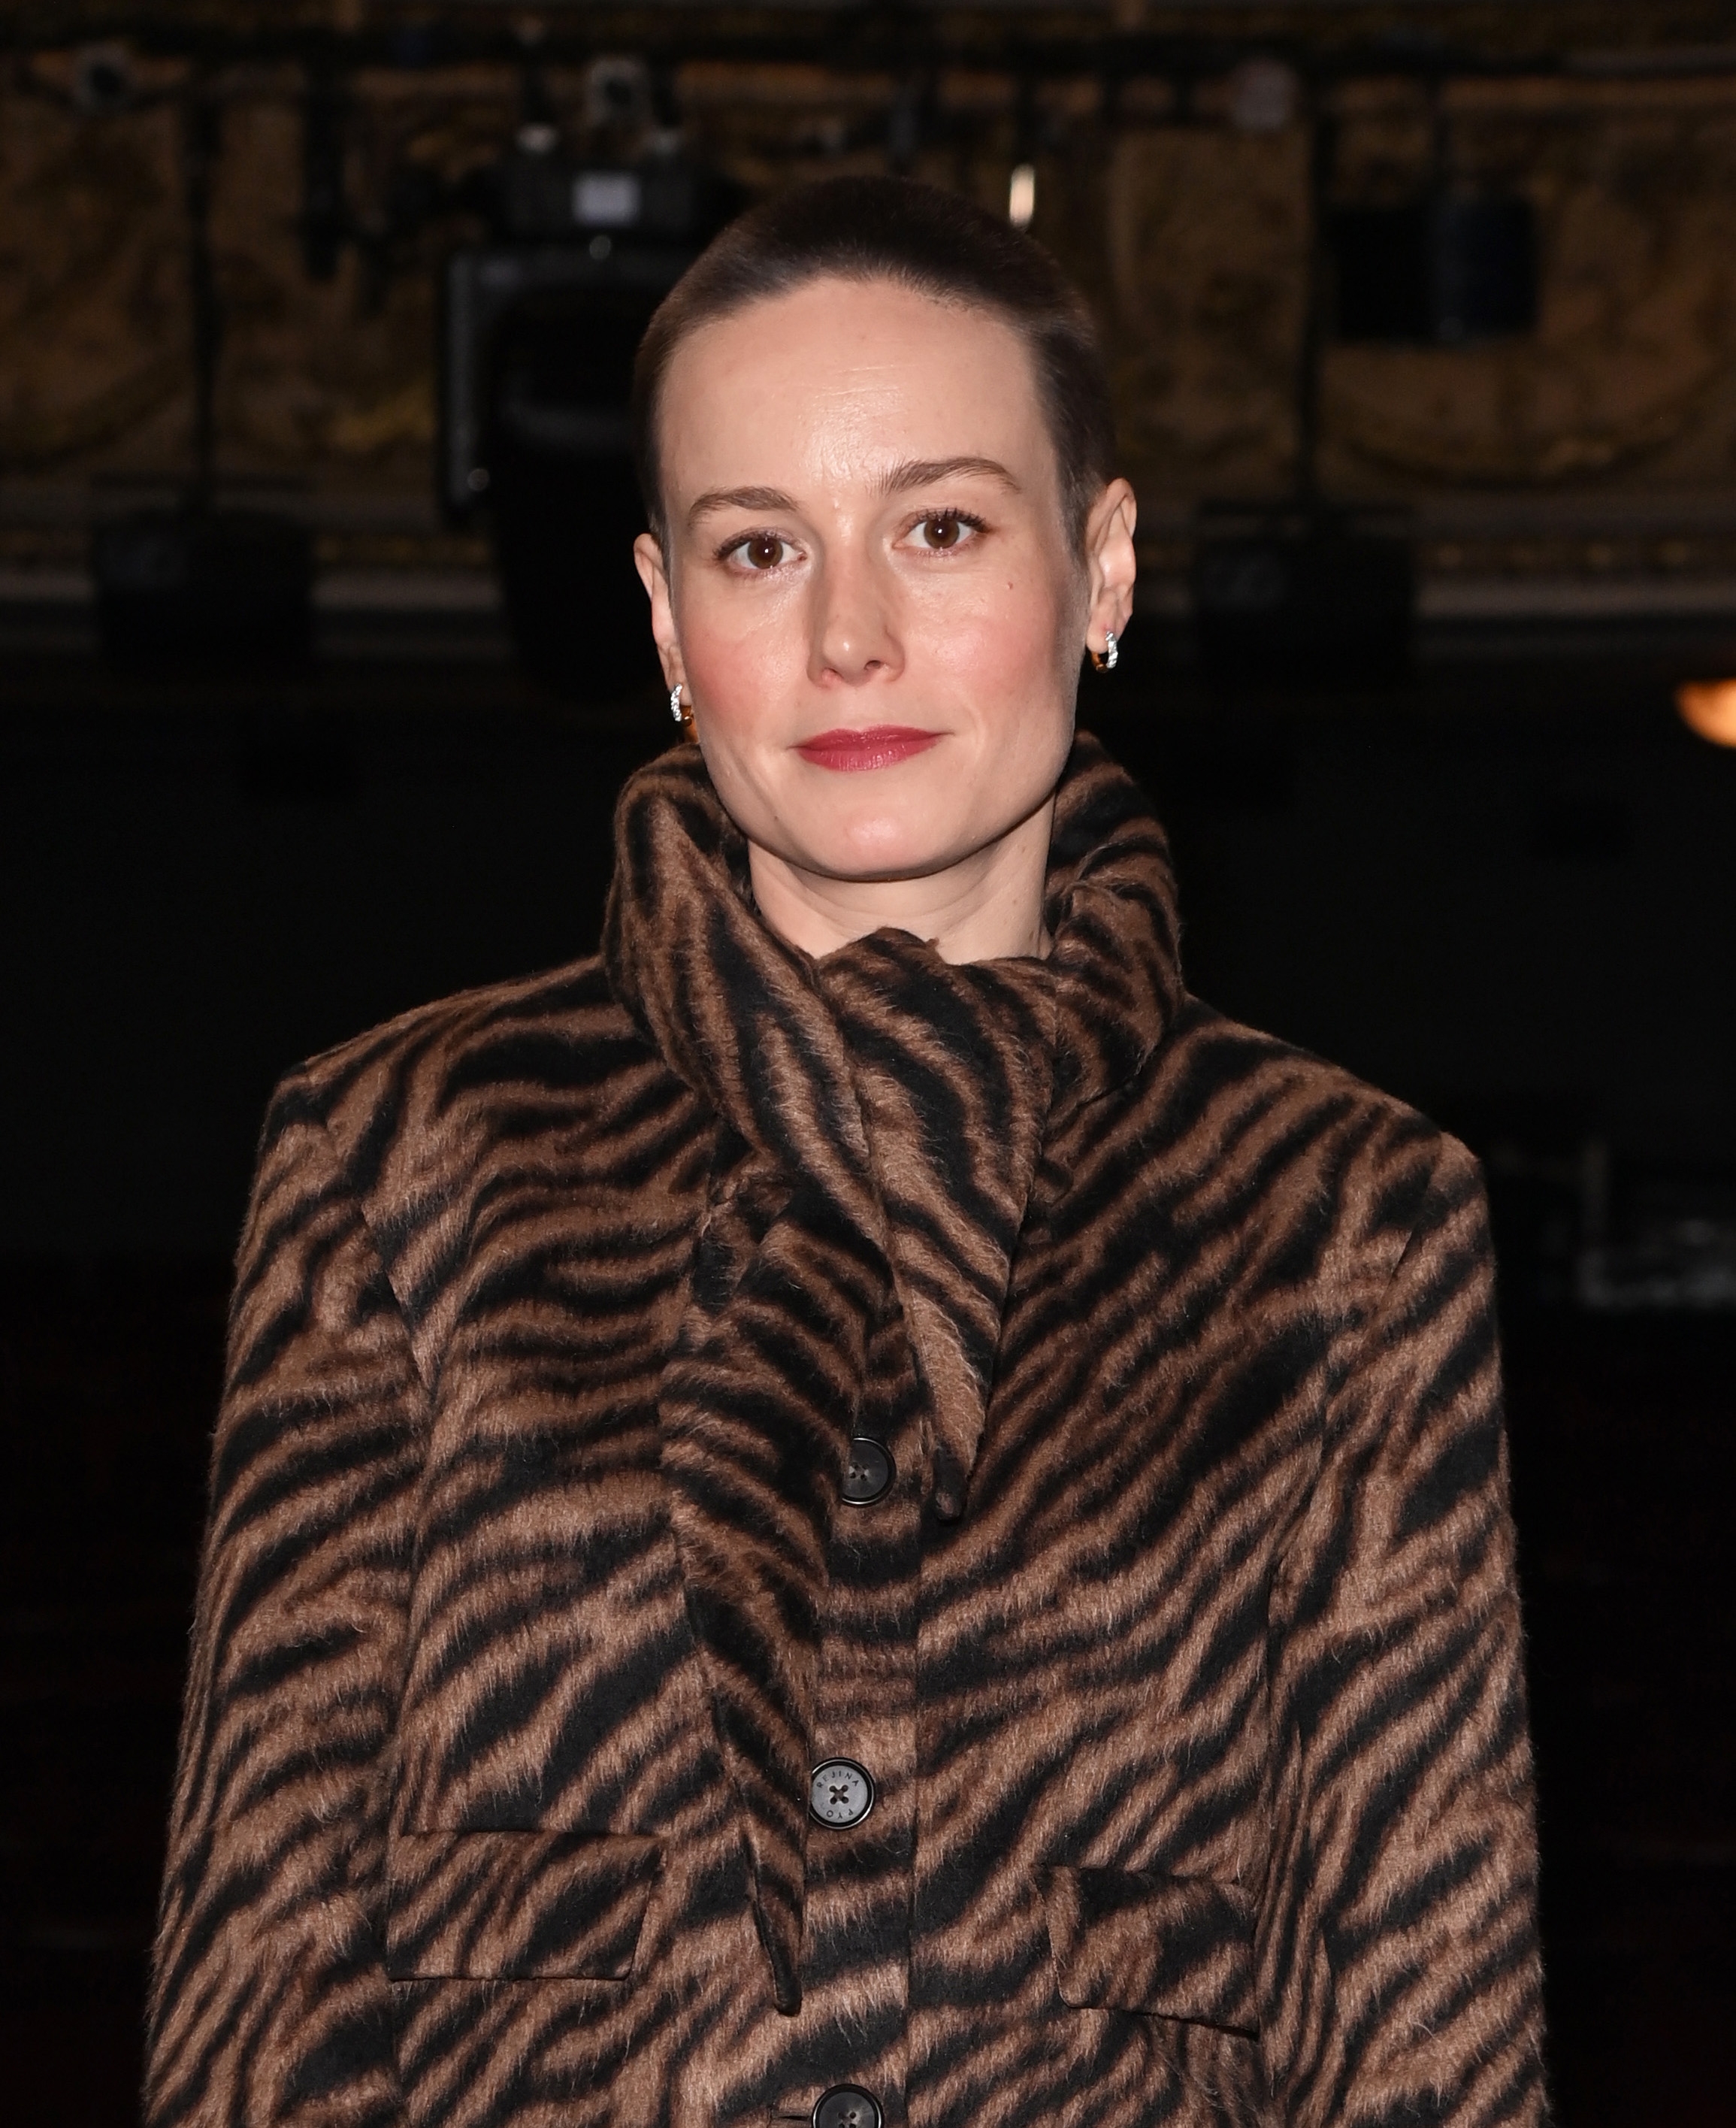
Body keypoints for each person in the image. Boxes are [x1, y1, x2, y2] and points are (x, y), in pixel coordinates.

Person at [145, 177, 1547, 2128]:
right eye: (758, 548)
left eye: (945, 528)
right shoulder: (400, 1153)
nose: (851, 637)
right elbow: (254, 1981)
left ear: (1108, 566)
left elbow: (1434, 2017)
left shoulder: (1350, 1215)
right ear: (662, 614)